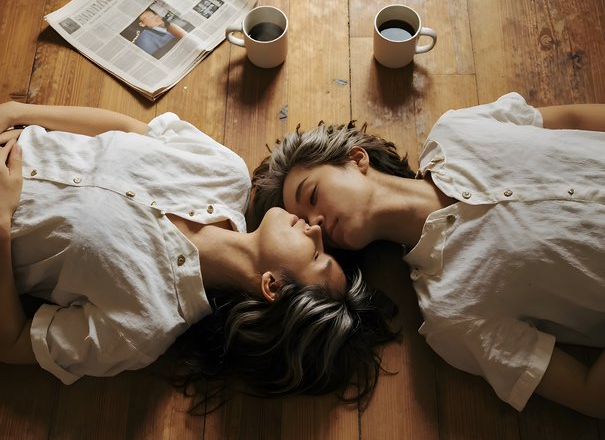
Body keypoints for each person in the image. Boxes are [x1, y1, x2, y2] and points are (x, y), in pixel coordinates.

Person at [0, 100, 397, 404]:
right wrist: (17, 111)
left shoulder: (145, 323)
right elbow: (128, 128)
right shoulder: (225, 173)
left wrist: (2, 222)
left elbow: (14, 342)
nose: (315, 230)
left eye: (317, 256)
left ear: (273, 286)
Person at [251, 92, 605, 418]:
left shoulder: (458, 131)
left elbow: (574, 118)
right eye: (307, 226)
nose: (316, 224)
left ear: (356, 159)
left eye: (312, 195)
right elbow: (591, 395)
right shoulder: (451, 312)